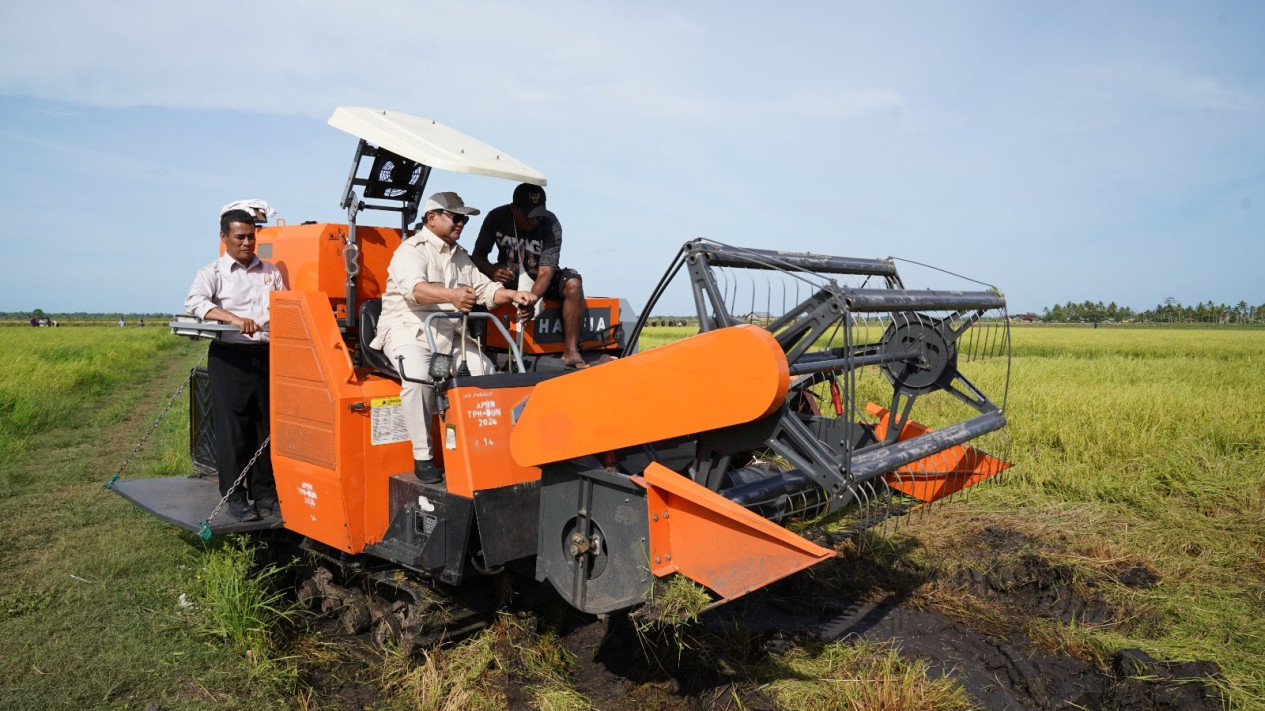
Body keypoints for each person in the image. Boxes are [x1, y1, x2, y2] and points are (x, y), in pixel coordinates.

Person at [371, 192, 537, 484]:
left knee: (485, 373)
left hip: (449, 335)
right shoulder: (410, 250)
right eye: (455, 217)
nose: (462, 223)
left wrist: (512, 295)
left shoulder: (461, 256)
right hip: (408, 331)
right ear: (432, 217)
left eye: (464, 219)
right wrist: (452, 295)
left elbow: (485, 292)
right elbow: (416, 290)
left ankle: (482, 449)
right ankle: (423, 456)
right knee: (419, 377)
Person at [184, 204, 287, 521]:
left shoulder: (270, 272)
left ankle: (265, 493)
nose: (246, 243)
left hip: (267, 355)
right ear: (223, 237)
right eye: (240, 237)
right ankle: (235, 496)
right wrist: (233, 318)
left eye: (251, 237)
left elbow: (285, 304)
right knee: (235, 430)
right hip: (231, 357)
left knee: (264, 426)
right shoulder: (211, 274)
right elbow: (195, 303)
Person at [472, 183, 589, 368]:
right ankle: (481, 350)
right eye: (529, 216)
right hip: (507, 276)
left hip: (539, 278)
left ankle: (571, 352)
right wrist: (491, 271)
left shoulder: (551, 224)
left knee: (573, 283)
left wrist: (531, 299)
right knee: (474, 283)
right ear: (514, 208)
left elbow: (546, 272)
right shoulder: (496, 217)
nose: (535, 221)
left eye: (538, 216)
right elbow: (478, 256)